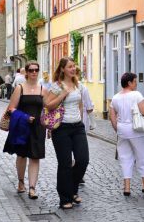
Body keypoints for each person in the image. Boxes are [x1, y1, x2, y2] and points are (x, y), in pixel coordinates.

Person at [45, 57, 89, 210]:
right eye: (70, 66)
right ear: (63, 69)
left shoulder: (78, 85)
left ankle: (72, 188)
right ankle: (65, 198)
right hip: (61, 128)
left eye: (74, 66)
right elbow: (48, 105)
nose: (73, 68)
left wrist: (82, 121)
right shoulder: (57, 86)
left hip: (77, 128)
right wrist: (63, 94)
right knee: (65, 164)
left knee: (83, 160)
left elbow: (80, 105)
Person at [3, 61, 48, 200]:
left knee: (35, 157)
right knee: (22, 155)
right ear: (26, 73)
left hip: (38, 128)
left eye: (36, 70)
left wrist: (49, 123)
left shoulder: (43, 89)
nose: (34, 72)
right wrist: (25, 117)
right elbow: (11, 109)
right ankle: (21, 181)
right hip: (22, 126)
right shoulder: (20, 88)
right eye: (31, 70)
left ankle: (32, 188)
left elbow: (47, 109)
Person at [109, 72, 144, 197]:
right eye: (135, 82)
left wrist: (118, 129)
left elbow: (112, 117)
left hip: (122, 129)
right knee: (141, 157)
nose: (136, 84)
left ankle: (127, 187)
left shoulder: (115, 97)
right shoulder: (136, 95)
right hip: (136, 130)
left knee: (125, 158)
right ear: (129, 83)